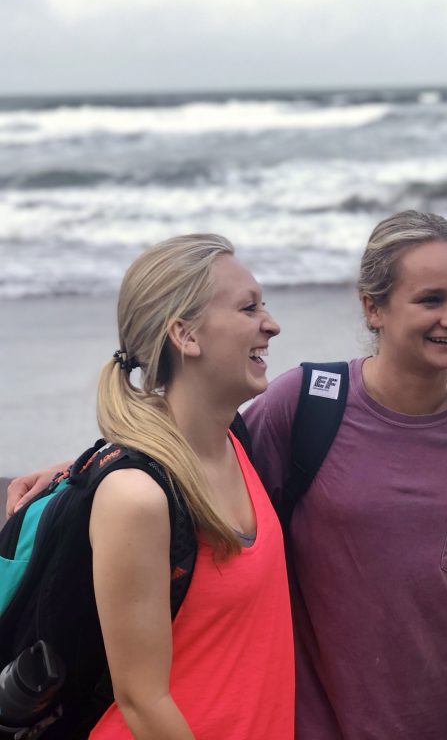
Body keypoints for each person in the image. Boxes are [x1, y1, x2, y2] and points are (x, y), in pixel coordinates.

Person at [242, 210, 447, 739]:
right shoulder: (307, 401)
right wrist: (93, 465)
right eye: (430, 300)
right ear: (374, 308)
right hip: (316, 721)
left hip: (441, 718)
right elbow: (197, 465)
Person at [87, 234, 294, 738]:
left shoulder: (236, 439)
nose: (272, 323)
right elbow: (141, 700)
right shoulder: (136, 496)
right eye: (249, 308)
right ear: (186, 335)